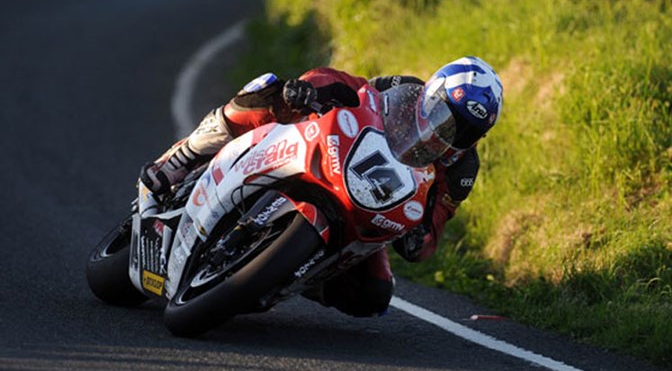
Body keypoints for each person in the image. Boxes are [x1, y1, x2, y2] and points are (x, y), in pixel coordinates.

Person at [140, 57, 503, 317]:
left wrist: (419, 239)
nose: (449, 132)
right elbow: (351, 87)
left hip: (369, 207)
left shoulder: (462, 168)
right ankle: (183, 158)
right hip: (332, 155)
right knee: (269, 91)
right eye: (445, 114)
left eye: (465, 130)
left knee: (373, 296)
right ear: (432, 93)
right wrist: (307, 89)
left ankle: (293, 275)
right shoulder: (405, 90)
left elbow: (437, 222)